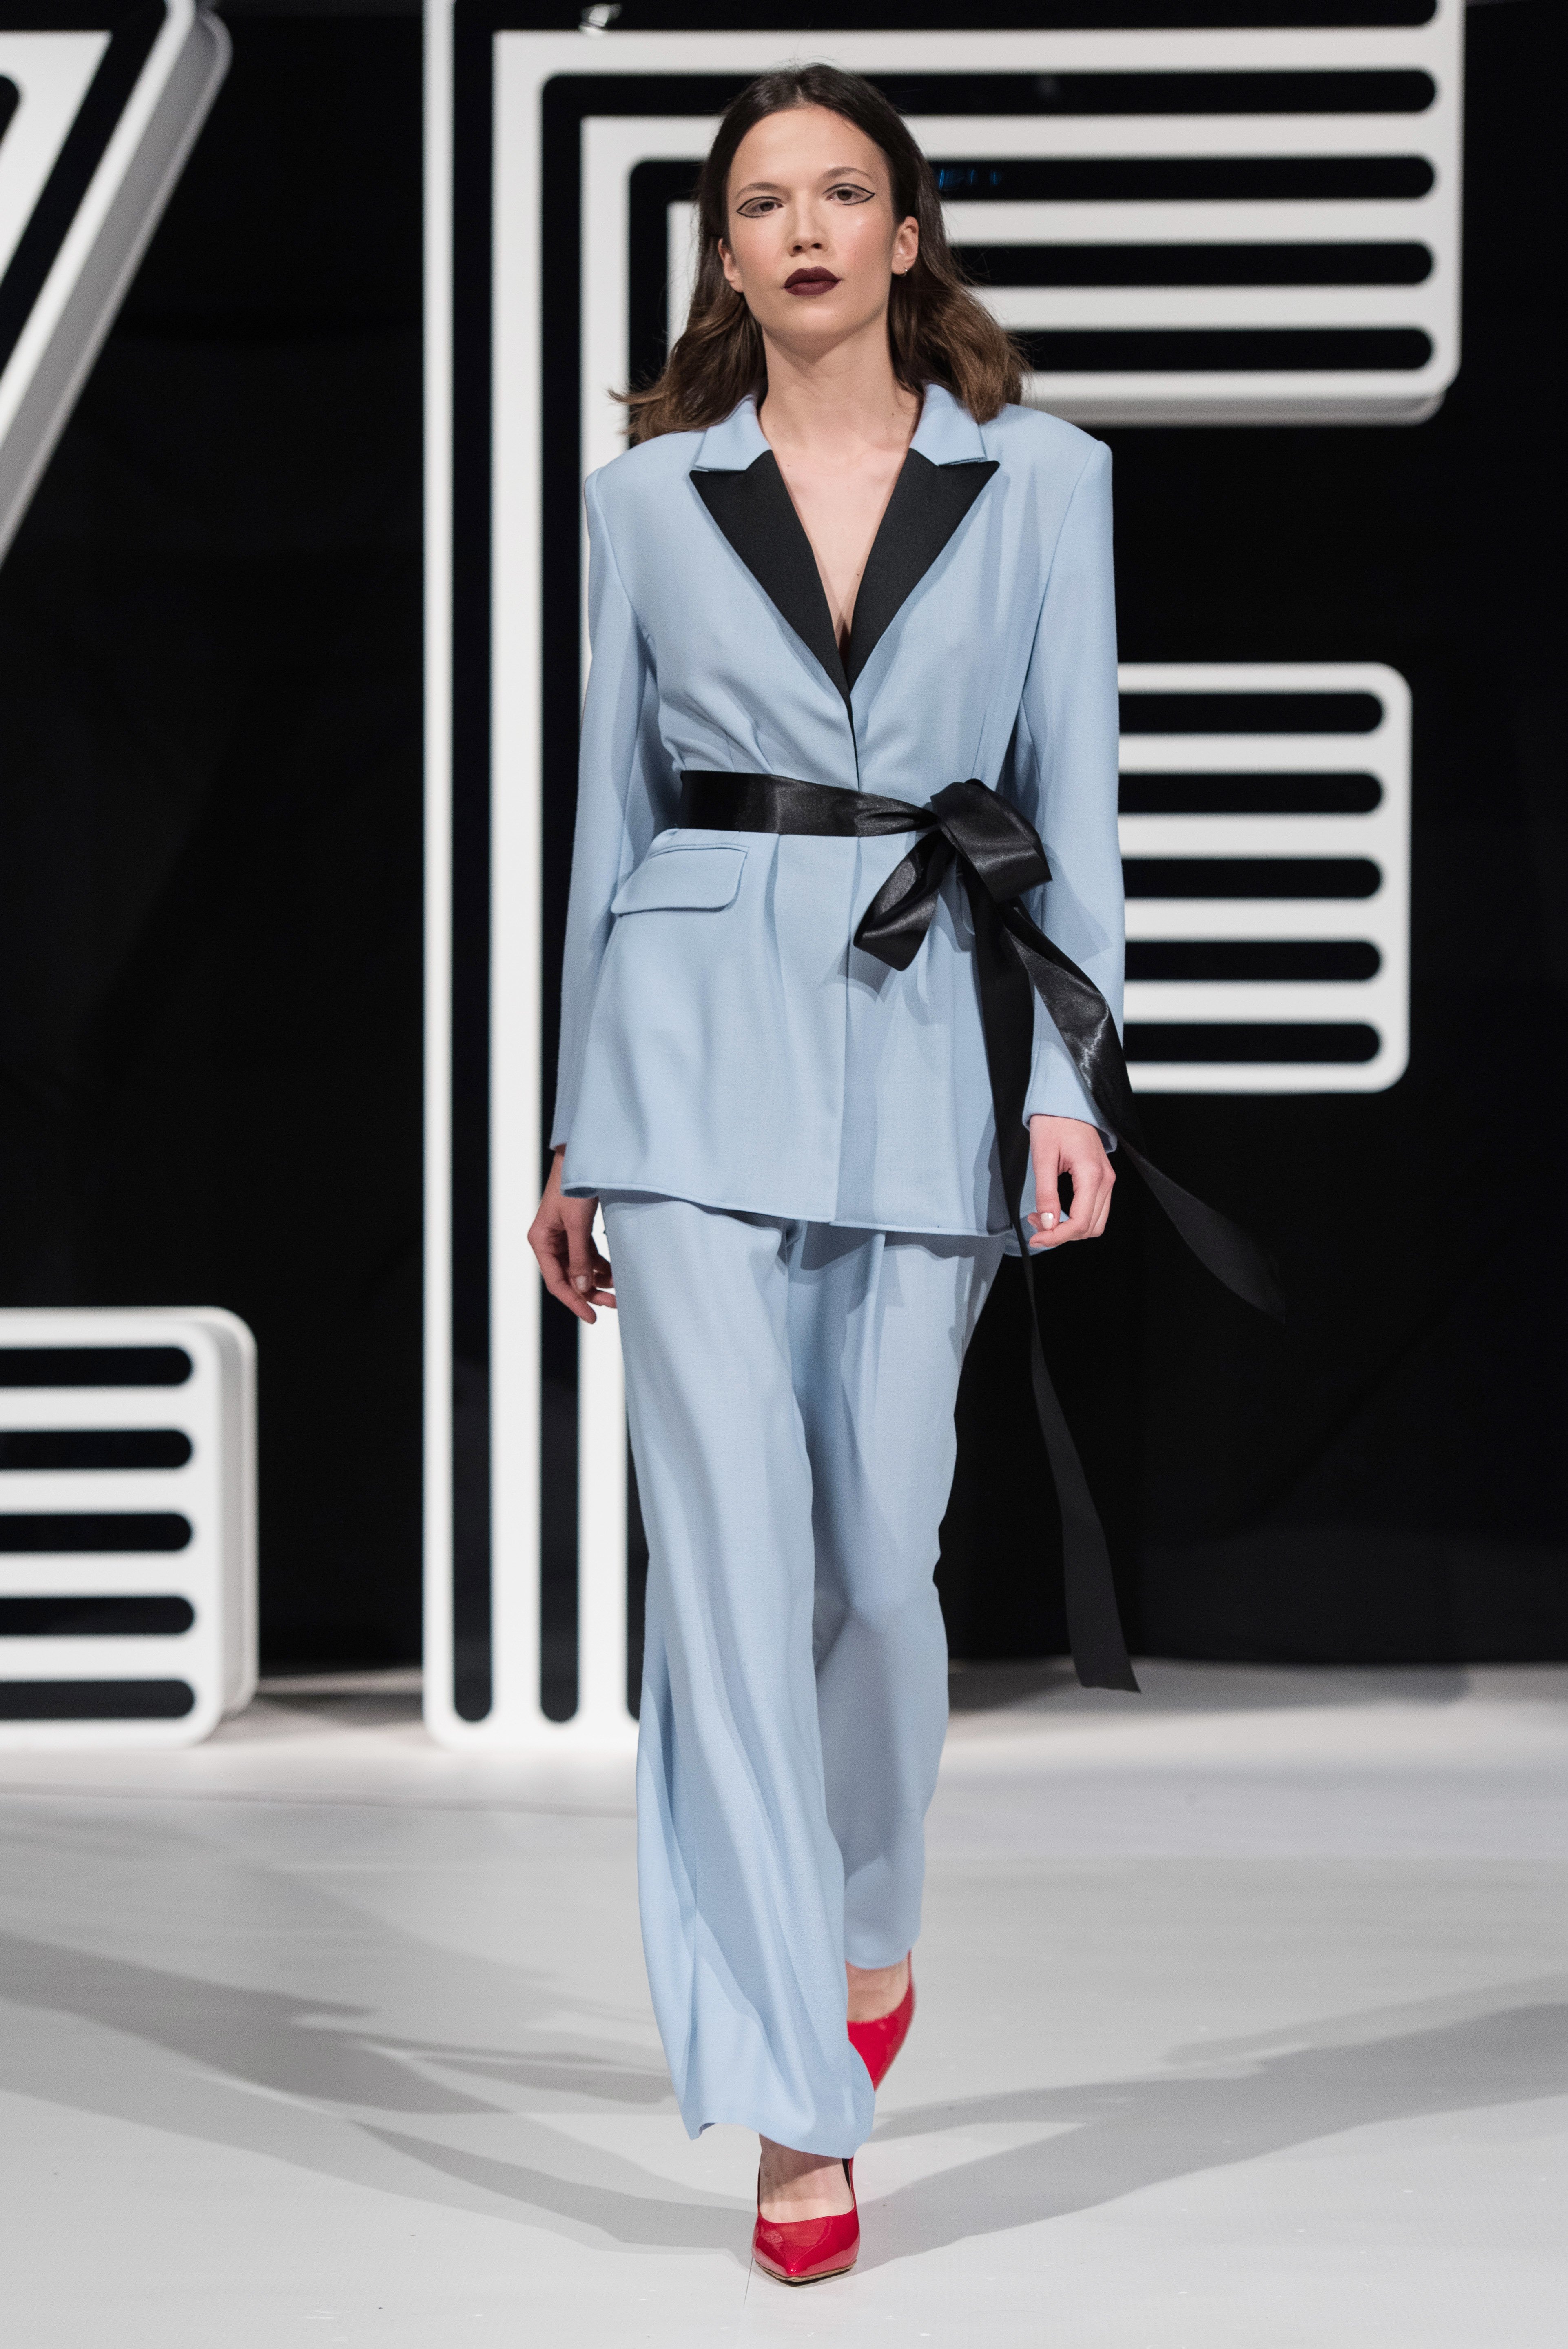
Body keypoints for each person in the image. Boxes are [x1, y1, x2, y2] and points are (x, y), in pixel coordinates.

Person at [529, 62, 1125, 2285]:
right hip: (687, 1055)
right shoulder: (648, 502)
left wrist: (1071, 1082)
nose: (800, 229)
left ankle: (866, 1926)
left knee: (880, 1560)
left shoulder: (1043, 480)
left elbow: (1076, 784)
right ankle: (797, 2093)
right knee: (724, 1576)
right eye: (760, 199)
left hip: (929, 1035)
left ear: (906, 230)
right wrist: (576, 1126)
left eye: (841, 191)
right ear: (723, 250)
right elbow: (609, 810)